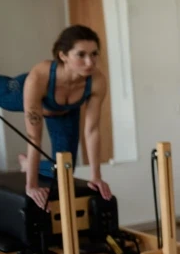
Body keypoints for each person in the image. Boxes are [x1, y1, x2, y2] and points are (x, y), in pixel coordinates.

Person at [0, 24, 112, 210]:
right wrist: (32, 186)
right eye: (81, 55)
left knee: (65, 170)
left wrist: (96, 176)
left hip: (64, 113)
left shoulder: (97, 81)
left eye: (94, 54)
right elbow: (34, 136)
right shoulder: (39, 76)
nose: (90, 62)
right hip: (23, 94)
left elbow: (92, 130)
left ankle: (28, 164)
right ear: (63, 56)